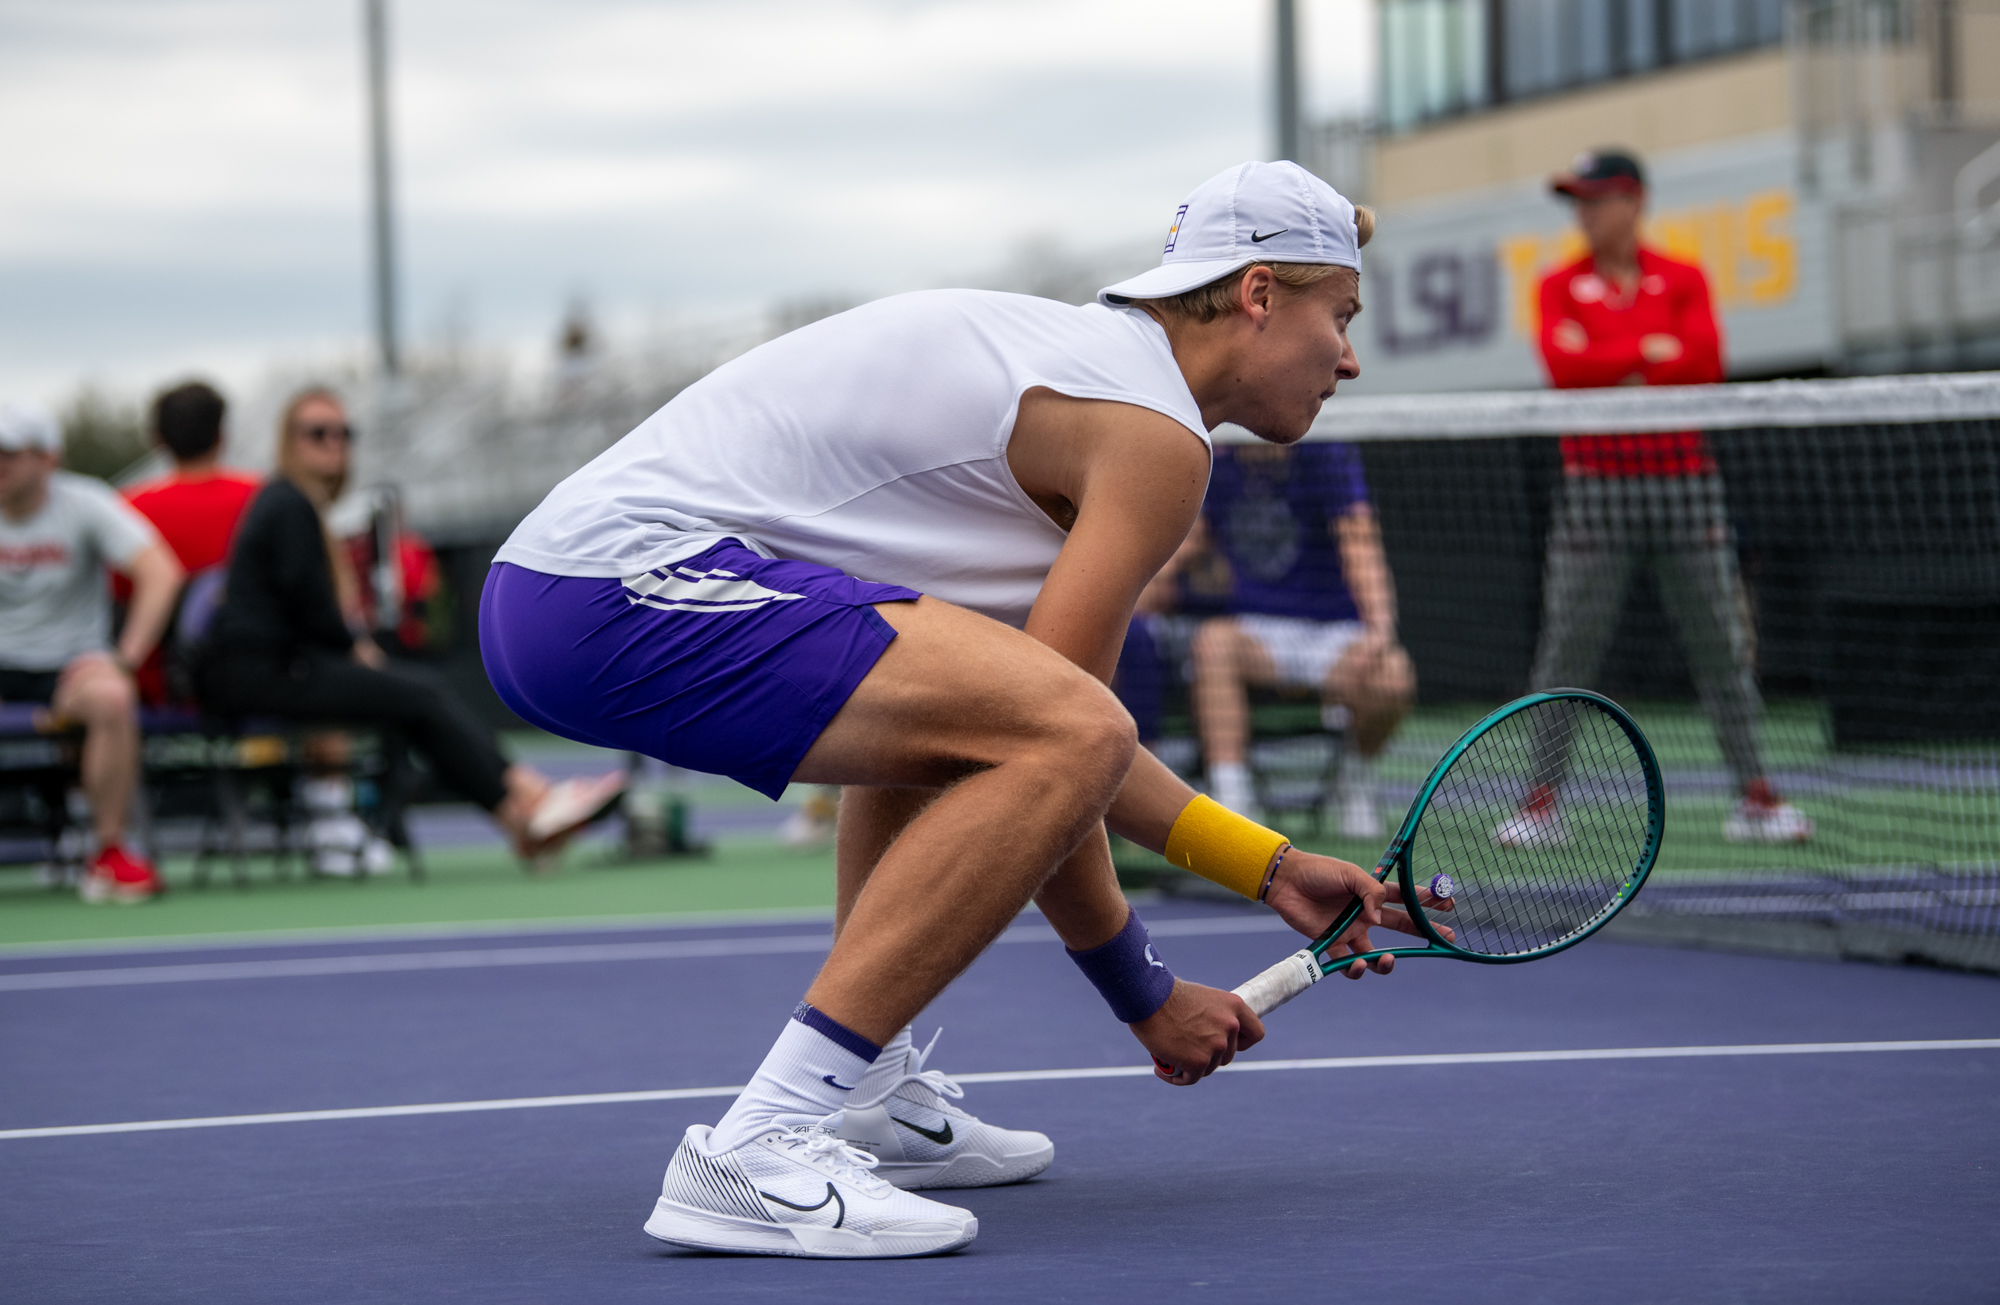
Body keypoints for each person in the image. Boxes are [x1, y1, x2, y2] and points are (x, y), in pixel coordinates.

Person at [482, 161, 1448, 1258]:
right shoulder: (1149, 432)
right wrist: (1143, 994)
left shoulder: (1085, 370)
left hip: (557, 593)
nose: (1351, 359)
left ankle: (866, 1090)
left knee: (964, 729)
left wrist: (1265, 865)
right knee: (1057, 726)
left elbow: (1033, 730)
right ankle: (759, 1144)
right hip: (613, 588)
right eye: (1342, 316)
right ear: (1259, 294)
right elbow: (1075, 738)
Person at [1497, 149, 1811, 848]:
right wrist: (1647, 351)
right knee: (1566, 649)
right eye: (1577, 200)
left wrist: (1613, 352)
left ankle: (1757, 795)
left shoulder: (1684, 278)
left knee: (1721, 646)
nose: (1584, 212)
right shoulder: (1555, 287)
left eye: (1596, 198)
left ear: (1634, 200)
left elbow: (1702, 364)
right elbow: (1568, 370)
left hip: (1685, 483)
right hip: (1594, 491)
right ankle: (1541, 802)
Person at [194, 389, 623, 867]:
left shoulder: (295, 504)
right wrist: (356, 651)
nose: (333, 442)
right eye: (317, 433)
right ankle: (531, 800)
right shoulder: (286, 503)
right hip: (259, 675)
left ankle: (522, 819)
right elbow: (309, 609)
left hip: (278, 668)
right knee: (419, 695)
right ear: (288, 443)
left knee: (416, 696)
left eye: (342, 433)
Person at [0, 401, 185, 902]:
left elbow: (160, 572)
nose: (0, 464)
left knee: (112, 697)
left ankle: (107, 852)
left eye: (10, 454)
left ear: (48, 459)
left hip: (69, 667)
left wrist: (123, 657)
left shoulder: (85, 502)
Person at [1183, 440, 1414, 839]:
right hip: (1255, 631)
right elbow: (1190, 541)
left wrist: (1379, 632)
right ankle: (1233, 803)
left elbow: (1358, 537)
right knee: (1212, 644)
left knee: (1393, 677)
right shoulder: (1216, 456)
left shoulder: (1328, 454)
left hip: (1334, 632)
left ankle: (1354, 777)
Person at [120, 380, 262, 704]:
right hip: (251, 682)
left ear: (158, 440)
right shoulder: (264, 499)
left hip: (157, 691)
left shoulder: (127, 510)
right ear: (221, 435)